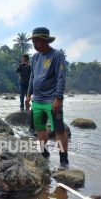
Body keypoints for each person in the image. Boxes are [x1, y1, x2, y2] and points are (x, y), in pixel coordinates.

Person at [25, 27, 69, 169]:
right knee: (39, 128)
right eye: (33, 41)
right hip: (37, 100)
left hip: (51, 100)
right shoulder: (35, 57)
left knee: (59, 130)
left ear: (45, 40)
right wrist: (28, 95)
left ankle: (63, 161)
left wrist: (59, 98)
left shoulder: (57, 55)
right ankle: (44, 154)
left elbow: (61, 78)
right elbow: (32, 77)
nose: (34, 44)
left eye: (37, 41)